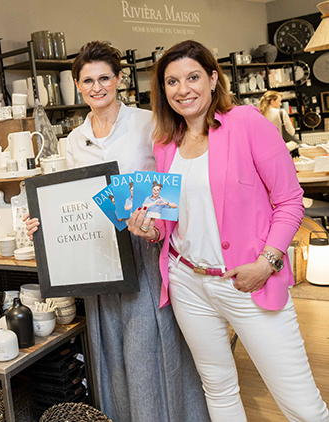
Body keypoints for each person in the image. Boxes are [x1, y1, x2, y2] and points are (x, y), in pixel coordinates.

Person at [129, 39, 328, 422]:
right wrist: (150, 231)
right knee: (218, 388)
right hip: (187, 281)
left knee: (301, 404)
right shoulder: (165, 142)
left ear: (212, 78)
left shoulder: (247, 123)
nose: (183, 89)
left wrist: (267, 263)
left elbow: (289, 201)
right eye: (172, 82)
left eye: (192, 77)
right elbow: (171, 218)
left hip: (247, 280)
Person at [26, 41, 208, 422]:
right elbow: (71, 199)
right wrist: (43, 222)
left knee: (149, 346)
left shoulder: (148, 122)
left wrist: (150, 221)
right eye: (88, 81)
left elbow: (171, 180)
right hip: (99, 254)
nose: (97, 87)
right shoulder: (73, 141)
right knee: (111, 351)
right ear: (78, 85)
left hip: (144, 249)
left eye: (104, 78)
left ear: (119, 79)